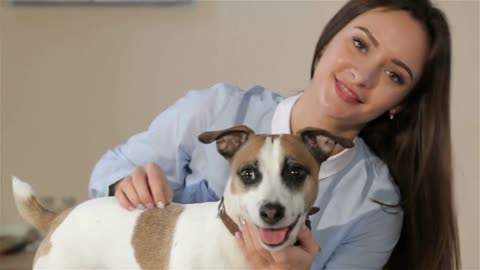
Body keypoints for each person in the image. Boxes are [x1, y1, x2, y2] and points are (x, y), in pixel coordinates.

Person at [89, 0, 460, 269]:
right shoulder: (215, 110)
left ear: (403, 103)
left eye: (394, 75)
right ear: (328, 39)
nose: (362, 76)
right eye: (359, 44)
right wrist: (125, 182)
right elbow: (109, 171)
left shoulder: (375, 207)